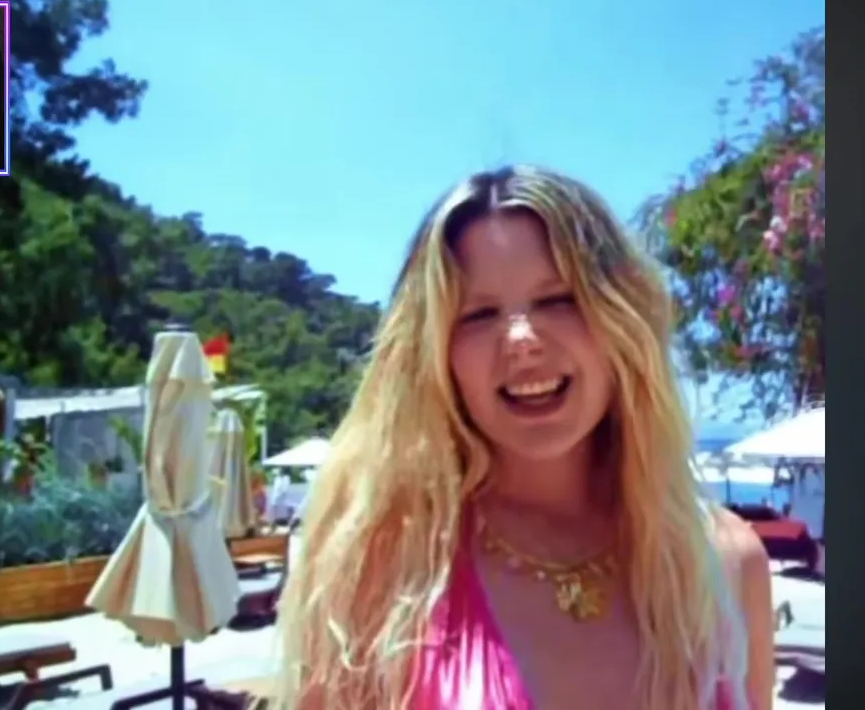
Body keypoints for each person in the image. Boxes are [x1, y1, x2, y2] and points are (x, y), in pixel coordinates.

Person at [270, 166, 775, 709]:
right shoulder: (379, 565)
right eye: (478, 314)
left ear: (623, 320)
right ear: (435, 353)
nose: (521, 339)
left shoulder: (727, 562)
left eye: (558, 300)